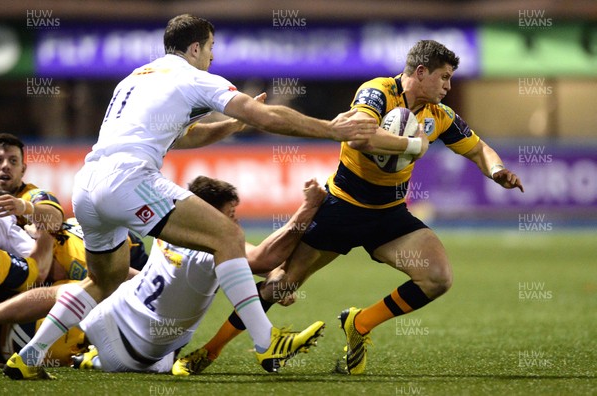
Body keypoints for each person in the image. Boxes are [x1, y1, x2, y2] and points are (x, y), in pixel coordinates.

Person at [3, 14, 376, 380]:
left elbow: (183, 137)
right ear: (195, 47)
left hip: (87, 184)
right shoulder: (194, 78)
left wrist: (231, 126)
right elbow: (266, 116)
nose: (213, 57)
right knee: (227, 237)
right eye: (211, 48)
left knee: (105, 280)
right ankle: (266, 343)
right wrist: (331, 129)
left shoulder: (133, 79)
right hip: (129, 178)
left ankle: (29, 354)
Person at [190, 39, 525, 375]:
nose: (449, 86)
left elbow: (478, 149)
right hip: (341, 209)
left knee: (437, 278)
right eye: (444, 77)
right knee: (283, 285)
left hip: (389, 215)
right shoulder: (377, 92)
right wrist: (413, 145)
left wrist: (497, 171)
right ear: (421, 72)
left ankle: (360, 323)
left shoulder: (439, 115)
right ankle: (209, 350)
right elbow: (357, 136)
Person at [70, 176, 326, 374]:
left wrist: (274, 277)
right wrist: (309, 206)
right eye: (230, 216)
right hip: (141, 354)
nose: (235, 225)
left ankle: (79, 352)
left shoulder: (170, 228)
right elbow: (263, 258)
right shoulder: (210, 250)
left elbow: (259, 262)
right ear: (209, 215)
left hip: (105, 319)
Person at [0, 133, 64, 234]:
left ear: (23, 170)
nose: (6, 166)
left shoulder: (34, 195)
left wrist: (25, 207)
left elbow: (56, 220)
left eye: (13, 161)